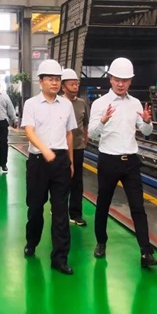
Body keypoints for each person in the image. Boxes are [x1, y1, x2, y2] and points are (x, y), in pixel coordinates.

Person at [88, 57, 157, 268]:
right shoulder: (100, 104)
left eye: (125, 80)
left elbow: (146, 132)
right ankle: (101, 242)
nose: (121, 84)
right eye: (117, 79)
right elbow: (92, 134)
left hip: (130, 162)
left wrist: (147, 121)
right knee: (103, 204)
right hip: (108, 160)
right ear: (110, 79)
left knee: (138, 207)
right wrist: (103, 121)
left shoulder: (136, 103)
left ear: (130, 81)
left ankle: (146, 252)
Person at [21, 60, 77, 275]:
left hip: (60, 161)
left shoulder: (66, 105)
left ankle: (60, 258)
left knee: (61, 210)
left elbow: (69, 134)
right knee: (35, 207)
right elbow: (29, 132)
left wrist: (70, 161)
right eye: (50, 79)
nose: (55, 83)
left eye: (57, 79)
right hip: (38, 161)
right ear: (41, 81)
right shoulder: (31, 104)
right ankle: (32, 241)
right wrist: (45, 150)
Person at [61, 68, 90, 227]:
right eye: (71, 84)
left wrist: (85, 139)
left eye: (76, 84)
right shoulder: (58, 103)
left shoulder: (81, 103)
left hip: (78, 147)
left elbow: (85, 124)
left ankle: (75, 213)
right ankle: (58, 207)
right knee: (60, 180)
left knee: (77, 181)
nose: (75, 86)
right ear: (63, 87)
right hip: (61, 148)